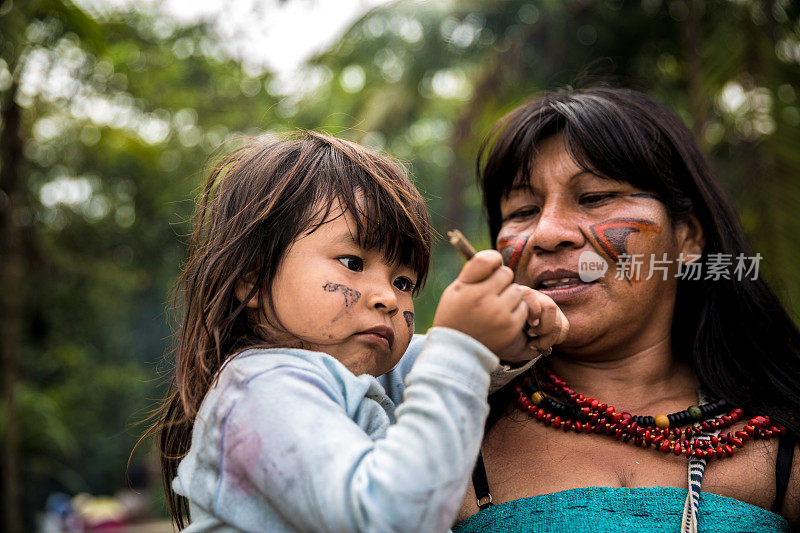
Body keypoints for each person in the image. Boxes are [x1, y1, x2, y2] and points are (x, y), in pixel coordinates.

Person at [150, 131, 567, 532]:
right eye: (352, 262)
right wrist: (463, 349)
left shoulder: (362, 373)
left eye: (404, 283)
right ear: (252, 276)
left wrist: (508, 339)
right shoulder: (259, 391)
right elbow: (387, 518)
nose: (387, 296)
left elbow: (435, 365)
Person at [444, 86, 800, 532]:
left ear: (687, 238)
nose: (548, 233)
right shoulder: (441, 431)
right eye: (524, 210)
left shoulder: (783, 443)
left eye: (594, 197)